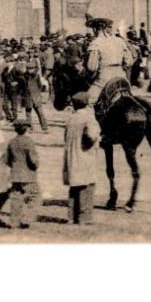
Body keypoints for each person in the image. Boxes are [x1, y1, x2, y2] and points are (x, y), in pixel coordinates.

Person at [62, 91, 100, 224]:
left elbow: (65, 136)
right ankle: (84, 218)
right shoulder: (88, 118)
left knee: (74, 186)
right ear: (87, 104)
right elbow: (91, 136)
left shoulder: (71, 118)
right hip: (85, 156)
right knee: (87, 185)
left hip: (71, 156)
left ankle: (71, 217)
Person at [5, 118, 40, 228]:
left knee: (16, 199)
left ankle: (14, 222)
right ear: (26, 129)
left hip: (15, 175)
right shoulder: (28, 142)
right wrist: (36, 165)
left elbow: (7, 160)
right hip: (28, 176)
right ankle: (27, 219)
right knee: (35, 197)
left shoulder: (12, 142)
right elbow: (33, 160)